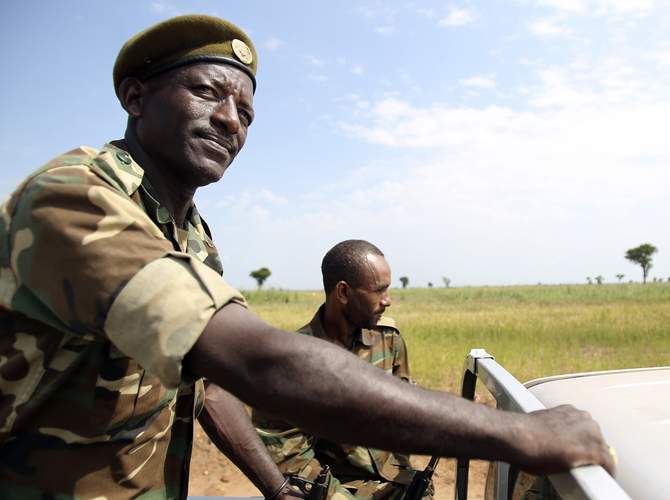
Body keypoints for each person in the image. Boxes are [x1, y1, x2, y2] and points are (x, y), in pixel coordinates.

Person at [0, 14, 614, 500]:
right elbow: (258, 364)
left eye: (245, 112)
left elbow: (209, 388)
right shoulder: (76, 198)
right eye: (208, 92)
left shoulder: (192, 235)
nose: (230, 121)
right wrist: (522, 433)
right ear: (136, 97)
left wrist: (278, 491)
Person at [253, 240, 431, 500]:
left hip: (397, 482)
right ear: (344, 293)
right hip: (336, 488)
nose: (388, 301)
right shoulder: (291, 364)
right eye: (379, 290)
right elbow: (289, 459)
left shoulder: (388, 338)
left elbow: (403, 416)